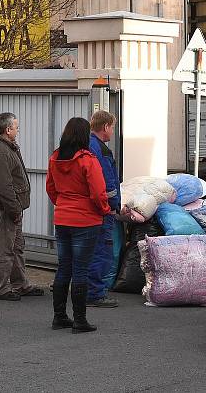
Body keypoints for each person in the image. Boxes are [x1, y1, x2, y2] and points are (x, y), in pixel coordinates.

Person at [46, 117, 111, 334]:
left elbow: (51, 188)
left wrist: (63, 204)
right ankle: (80, 320)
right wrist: (103, 210)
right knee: (80, 269)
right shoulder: (87, 159)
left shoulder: (55, 157)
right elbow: (98, 192)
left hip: (62, 218)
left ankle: (59, 316)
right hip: (86, 220)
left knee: (64, 267)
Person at [0, 112, 43, 301]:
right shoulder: (0, 151)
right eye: (16, 127)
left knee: (17, 246)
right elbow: (2, 186)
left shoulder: (6, 147)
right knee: (4, 248)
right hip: (7, 209)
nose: (18, 130)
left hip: (13, 207)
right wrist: (14, 209)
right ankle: (0, 288)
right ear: (8, 129)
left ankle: (20, 284)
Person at [86, 111, 120, 308]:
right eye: (112, 127)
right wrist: (114, 206)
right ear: (105, 126)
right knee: (101, 251)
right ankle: (96, 293)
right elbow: (108, 184)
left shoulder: (87, 146)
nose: (112, 131)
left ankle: (87, 290)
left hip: (89, 210)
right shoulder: (101, 150)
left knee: (87, 251)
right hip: (102, 210)